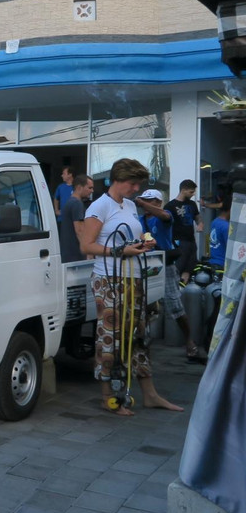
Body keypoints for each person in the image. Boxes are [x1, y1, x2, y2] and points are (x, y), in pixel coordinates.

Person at [80, 158, 183, 416]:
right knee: (111, 337)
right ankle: (108, 397)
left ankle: (150, 394)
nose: (136, 189)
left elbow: (130, 237)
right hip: (109, 280)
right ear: (118, 179)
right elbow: (87, 245)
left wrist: (141, 243)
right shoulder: (99, 206)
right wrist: (120, 250)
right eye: (133, 183)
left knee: (139, 336)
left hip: (134, 277)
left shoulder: (128, 205)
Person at [136, 188, 206, 364]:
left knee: (175, 305)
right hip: (146, 266)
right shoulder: (140, 220)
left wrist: (141, 203)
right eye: (144, 200)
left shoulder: (165, 215)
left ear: (158, 203)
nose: (145, 204)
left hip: (165, 266)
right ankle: (142, 342)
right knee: (142, 305)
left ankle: (190, 342)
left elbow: (165, 217)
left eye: (150, 201)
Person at [166, 179, 202, 283]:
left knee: (190, 267)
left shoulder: (192, 204)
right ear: (183, 190)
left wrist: (200, 224)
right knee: (178, 268)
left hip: (191, 241)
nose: (193, 194)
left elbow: (197, 217)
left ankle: (184, 290)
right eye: (191, 192)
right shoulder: (170, 206)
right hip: (179, 242)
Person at [59, 173, 93, 262]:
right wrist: (88, 251)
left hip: (68, 254)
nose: (92, 191)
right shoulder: (77, 204)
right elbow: (80, 230)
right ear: (79, 187)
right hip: (76, 255)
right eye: (89, 188)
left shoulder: (70, 202)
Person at [209, 201, 230, 271]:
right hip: (222, 264)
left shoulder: (215, 221)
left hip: (214, 261)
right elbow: (231, 247)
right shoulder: (226, 226)